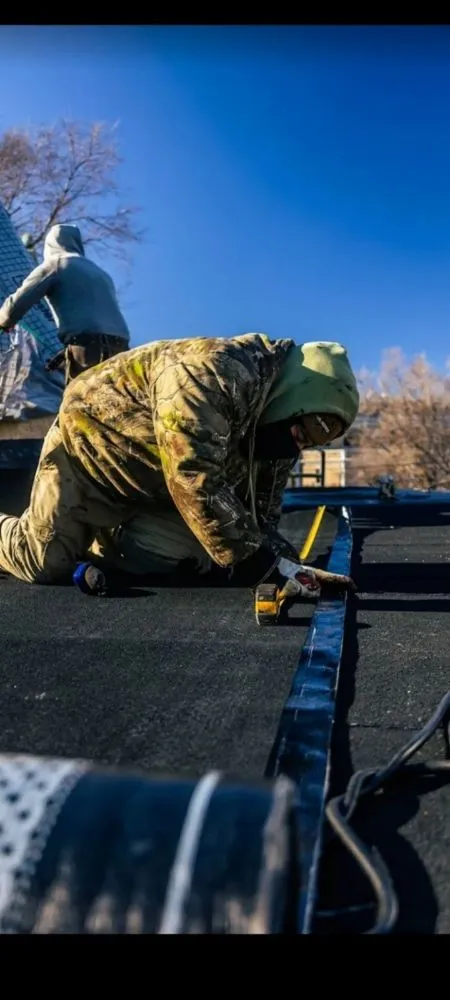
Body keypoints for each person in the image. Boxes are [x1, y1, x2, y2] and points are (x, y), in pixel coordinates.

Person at [0, 334, 359, 596]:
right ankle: (67, 533)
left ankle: (101, 541)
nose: (300, 445)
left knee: (191, 555)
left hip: (155, 483)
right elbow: (193, 474)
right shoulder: (209, 373)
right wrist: (260, 567)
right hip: (91, 456)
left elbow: (260, 515)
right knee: (45, 562)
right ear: (293, 396)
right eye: (304, 431)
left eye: (314, 443)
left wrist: (288, 566)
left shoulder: (281, 426)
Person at [0, 224, 130, 385]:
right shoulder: (102, 274)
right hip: (122, 347)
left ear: (50, 245)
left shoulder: (56, 264)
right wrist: (68, 352)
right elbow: (96, 318)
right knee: (117, 395)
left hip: (86, 347)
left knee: (81, 398)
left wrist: (4, 321)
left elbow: (20, 300)